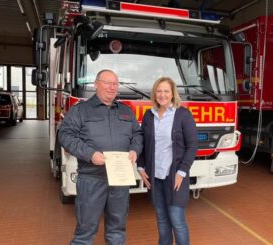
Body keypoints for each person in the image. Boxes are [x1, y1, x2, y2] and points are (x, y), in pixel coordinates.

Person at [58, 69, 143, 245]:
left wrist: (135, 150)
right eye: (107, 83)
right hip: (92, 179)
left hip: (120, 180)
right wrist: (90, 154)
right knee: (85, 232)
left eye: (115, 84)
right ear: (96, 84)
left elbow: (137, 134)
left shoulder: (126, 111)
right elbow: (65, 136)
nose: (112, 87)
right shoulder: (81, 110)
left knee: (117, 230)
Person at [138, 77, 197, 245]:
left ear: (172, 94)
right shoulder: (149, 116)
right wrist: (141, 167)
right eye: (159, 91)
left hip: (175, 177)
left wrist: (181, 172)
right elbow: (143, 143)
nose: (162, 95)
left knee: (177, 221)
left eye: (166, 91)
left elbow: (192, 146)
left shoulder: (183, 115)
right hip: (154, 177)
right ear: (154, 94)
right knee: (162, 222)